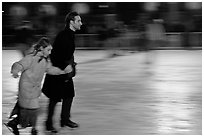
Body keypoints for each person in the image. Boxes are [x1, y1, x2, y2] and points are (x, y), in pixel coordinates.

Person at [5, 37, 73, 135]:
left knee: (31, 109)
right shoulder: (30, 58)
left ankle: (17, 123)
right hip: (26, 88)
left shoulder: (45, 60)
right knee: (33, 109)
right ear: (41, 48)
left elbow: (50, 70)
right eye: (48, 50)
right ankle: (31, 129)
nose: (50, 52)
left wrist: (62, 71)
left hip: (35, 89)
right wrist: (15, 71)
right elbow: (19, 64)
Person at [42, 11, 82, 133]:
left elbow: (66, 53)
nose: (81, 23)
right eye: (78, 21)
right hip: (57, 72)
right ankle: (49, 124)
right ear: (71, 22)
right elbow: (54, 55)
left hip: (65, 72)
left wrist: (71, 64)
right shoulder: (64, 35)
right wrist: (65, 66)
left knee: (69, 95)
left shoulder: (70, 35)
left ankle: (65, 120)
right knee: (54, 99)